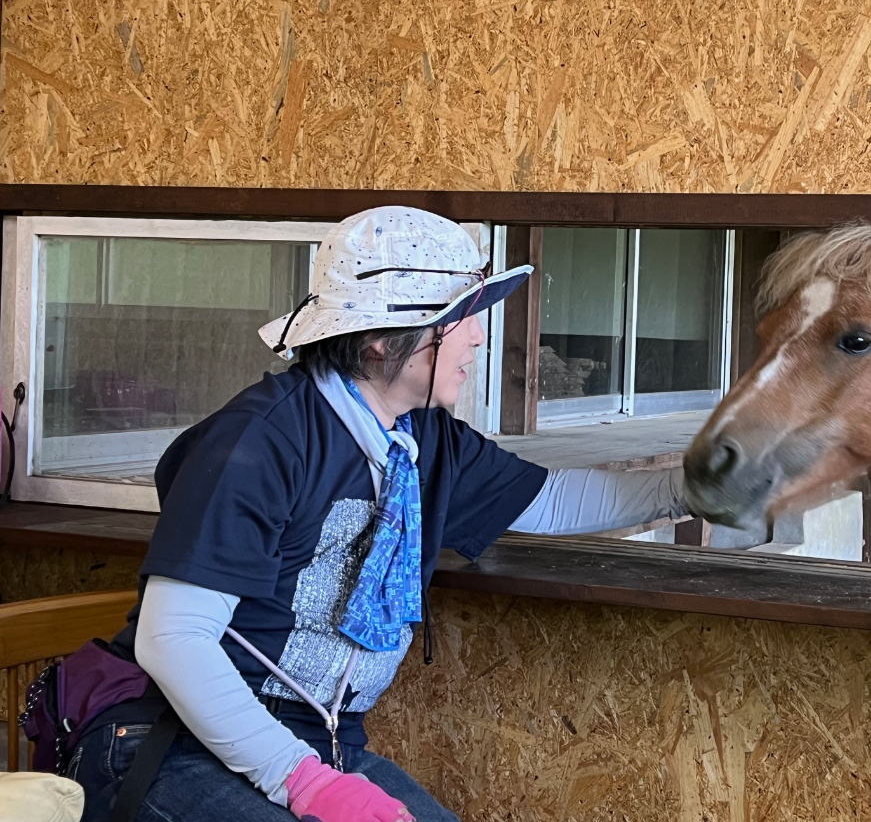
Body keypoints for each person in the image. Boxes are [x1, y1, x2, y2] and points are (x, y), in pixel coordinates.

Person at [71, 207, 686, 822]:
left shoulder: (421, 438)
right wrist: (303, 783)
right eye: (459, 318)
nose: (478, 336)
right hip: (172, 740)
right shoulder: (261, 442)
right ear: (382, 340)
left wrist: (696, 487)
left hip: (320, 741)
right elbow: (173, 639)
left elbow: (551, 500)